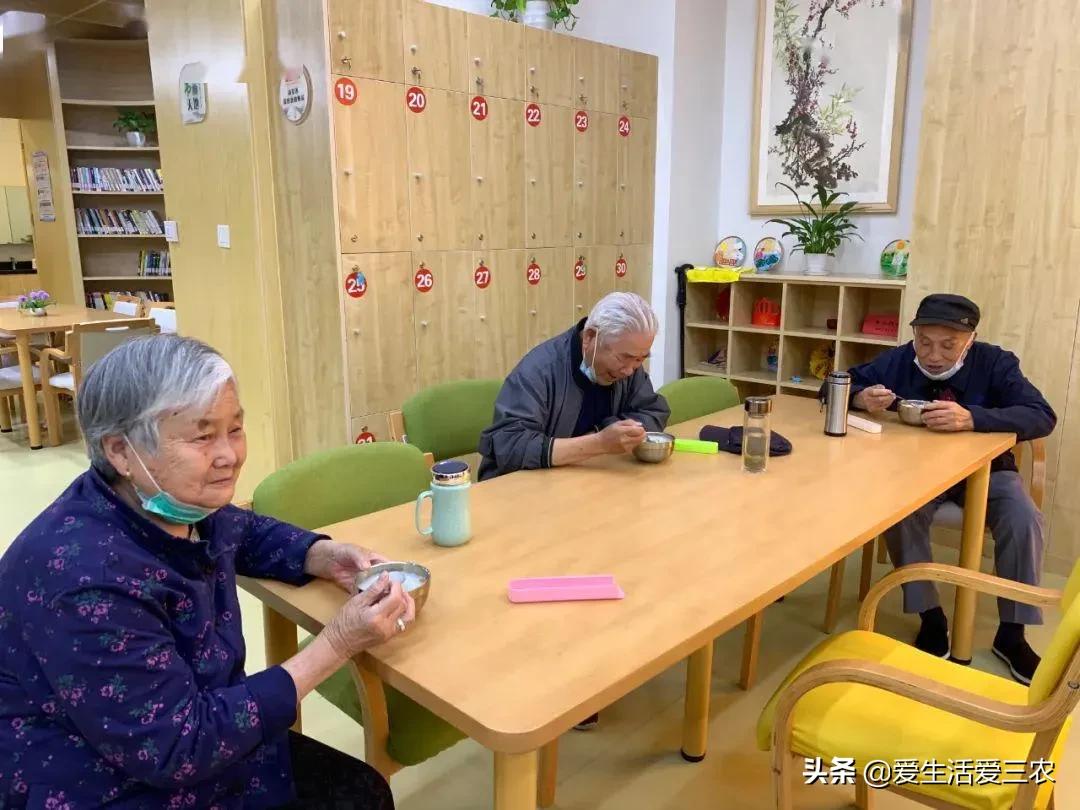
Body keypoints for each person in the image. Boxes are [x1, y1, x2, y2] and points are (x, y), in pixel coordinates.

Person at [0, 335, 414, 808]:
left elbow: (243, 531)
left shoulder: (163, 499)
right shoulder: (84, 579)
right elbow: (179, 747)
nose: (229, 456)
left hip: (196, 728)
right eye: (202, 437)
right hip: (105, 776)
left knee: (362, 791)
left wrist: (320, 554)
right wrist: (337, 642)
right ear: (120, 451)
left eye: (234, 429)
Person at [848, 293, 1056, 684]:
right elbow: (837, 383)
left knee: (1024, 518)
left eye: (948, 345)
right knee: (899, 512)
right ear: (914, 335)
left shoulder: (996, 362)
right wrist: (860, 397)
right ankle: (931, 617)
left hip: (990, 471)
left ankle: (1012, 634)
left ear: (970, 340)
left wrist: (972, 418)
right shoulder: (899, 360)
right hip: (919, 473)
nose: (933, 356)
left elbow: (1041, 415)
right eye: (924, 342)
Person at [478, 291, 670, 482]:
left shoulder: (629, 367)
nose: (629, 371)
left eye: (640, 359)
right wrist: (599, 443)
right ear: (590, 337)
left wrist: (604, 431)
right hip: (522, 486)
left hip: (586, 480)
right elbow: (510, 445)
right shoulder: (540, 370)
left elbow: (653, 411)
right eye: (624, 357)